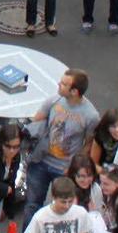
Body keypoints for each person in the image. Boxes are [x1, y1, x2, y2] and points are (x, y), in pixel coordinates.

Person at [27, 69, 98, 213]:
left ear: (74, 92)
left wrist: (73, 166)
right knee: (32, 204)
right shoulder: (53, 101)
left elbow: (89, 143)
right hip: (41, 161)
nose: (59, 84)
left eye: (64, 84)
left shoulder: (91, 115)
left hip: (64, 168)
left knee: (60, 207)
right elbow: (35, 124)